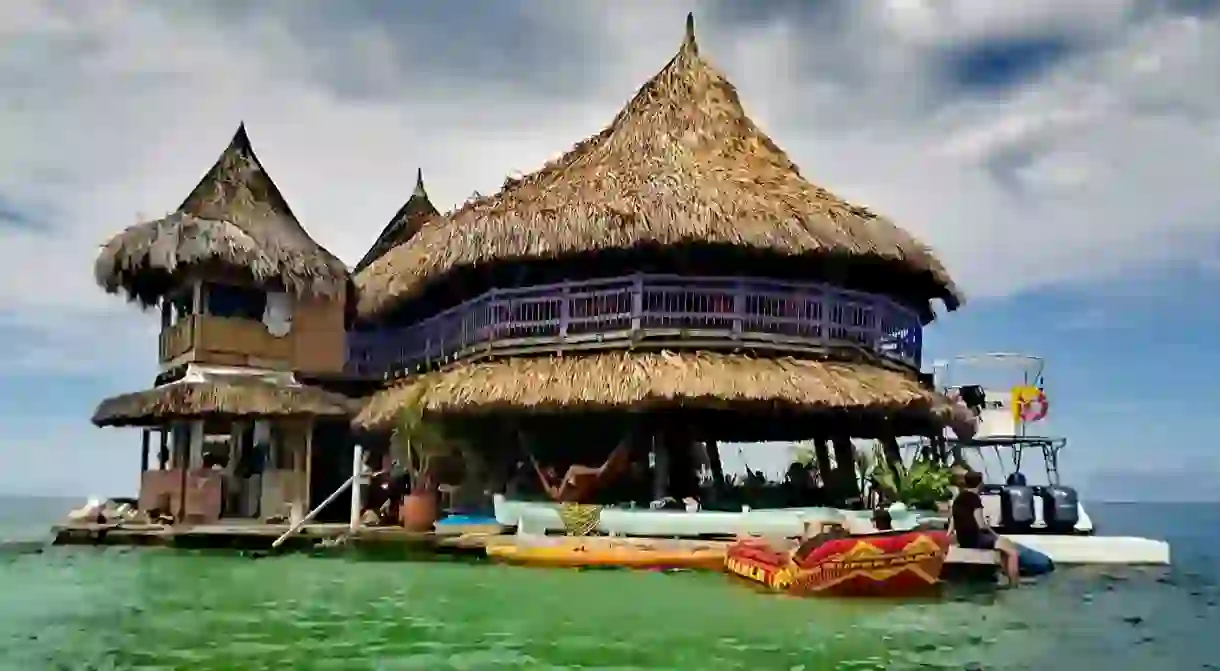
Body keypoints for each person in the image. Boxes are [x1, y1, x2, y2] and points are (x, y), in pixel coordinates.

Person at [950, 470, 1020, 586]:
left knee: (1002, 548)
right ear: (980, 484)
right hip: (975, 539)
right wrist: (995, 535)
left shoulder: (958, 499)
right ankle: (1014, 584)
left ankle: (1004, 576)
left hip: (964, 539)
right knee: (1012, 552)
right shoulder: (974, 499)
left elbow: (954, 519)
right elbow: (981, 525)